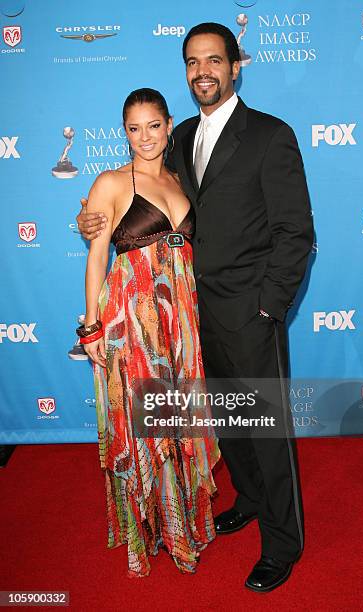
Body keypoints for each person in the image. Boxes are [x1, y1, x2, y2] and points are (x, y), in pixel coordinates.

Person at [78, 23, 314, 592]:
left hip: (250, 314)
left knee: (266, 431)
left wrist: (268, 308)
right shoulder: (180, 137)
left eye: (214, 60)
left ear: (237, 66)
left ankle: (284, 543)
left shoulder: (269, 135)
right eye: (192, 62)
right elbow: (142, 207)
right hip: (188, 317)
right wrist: (88, 220)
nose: (202, 71)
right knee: (230, 425)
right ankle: (250, 500)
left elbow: (296, 233)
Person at [78, 87, 220, 577]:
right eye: (134, 129)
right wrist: (92, 327)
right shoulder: (112, 183)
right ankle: (166, 533)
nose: (145, 137)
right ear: (124, 132)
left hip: (179, 316)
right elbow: (97, 256)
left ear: (168, 124)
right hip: (132, 320)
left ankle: (177, 521)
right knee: (149, 424)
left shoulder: (181, 179)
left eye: (154, 126)